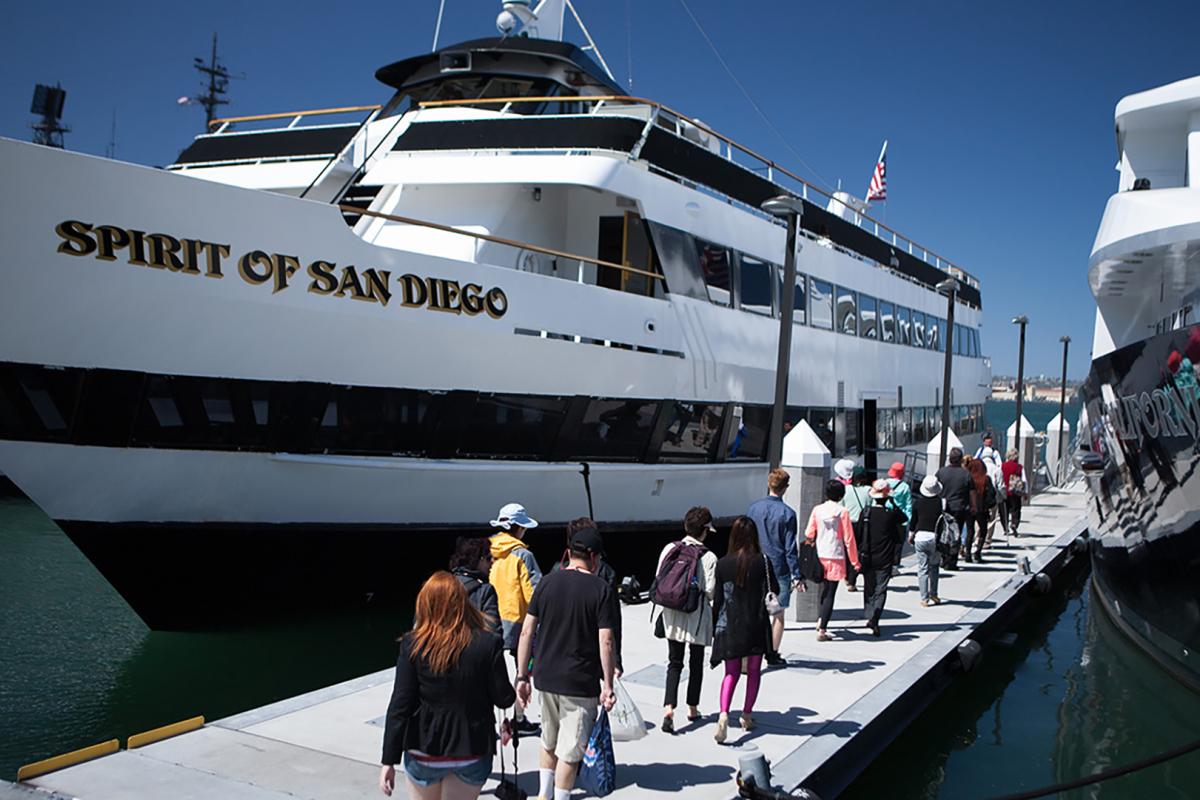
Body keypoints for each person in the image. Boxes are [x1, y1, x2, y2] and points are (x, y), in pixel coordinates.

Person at [380, 572, 516, 800]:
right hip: (472, 749)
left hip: (423, 749)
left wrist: (388, 760)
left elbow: (400, 706)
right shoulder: (488, 643)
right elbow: (504, 698)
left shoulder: (413, 645)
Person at [515, 527, 617, 800]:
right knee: (571, 751)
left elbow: (526, 632)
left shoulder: (547, 582)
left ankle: (543, 795)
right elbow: (606, 640)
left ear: (570, 553)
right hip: (579, 682)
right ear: (594, 558)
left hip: (545, 677)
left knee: (548, 741)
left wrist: (522, 676)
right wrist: (607, 684)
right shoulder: (601, 589)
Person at [710, 516, 778, 744]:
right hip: (756, 624)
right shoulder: (763, 562)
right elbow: (773, 589)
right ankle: (746, 715)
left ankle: (723, 713)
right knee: (754, 671)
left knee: (731, 673)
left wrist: (714, 629)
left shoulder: (723, 563)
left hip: (731, 625)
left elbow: (718, 599)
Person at [655, 506, 719, 734]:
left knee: (674, 662)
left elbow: (659, 578)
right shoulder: (709, 557)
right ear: (704, 531)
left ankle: (669, 707)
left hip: (672, 614)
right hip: (696, 617)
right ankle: (692, 707)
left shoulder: (670, 548)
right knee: (695, 663)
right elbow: (711, 590)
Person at [488, 502, 543, 734]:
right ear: (519, 528)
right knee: (522, 670)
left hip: (492, 616)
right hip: (519, 621)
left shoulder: (491, 551)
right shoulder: (523, 555)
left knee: (493, 669)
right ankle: (518, 719)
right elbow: (534, 591)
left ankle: (494, 718)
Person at [747, 468, 800, 667]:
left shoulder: (753, 508)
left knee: (754, 612)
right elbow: (790, 547)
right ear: (785, 488)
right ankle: (772, 653)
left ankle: (751, 652)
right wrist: (796, 573)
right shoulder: (788, 513)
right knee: (778, 615)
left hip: (755, 564)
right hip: (779, 568)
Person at [803, 480, 861, 642]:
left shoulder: (818, 509)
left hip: (820, 553)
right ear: (841, 495)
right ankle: (822, 628)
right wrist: (855, 561)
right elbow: (849, 539)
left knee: (823, 591)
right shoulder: (843, 512)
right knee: (830, 593)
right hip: (836, 555)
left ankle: (821, 619)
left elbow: (809, 532)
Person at [858, 480, 905, 636]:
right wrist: (892, 501)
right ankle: (875, 618)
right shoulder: (890, 515)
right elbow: (903, 518)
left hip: (867, 556)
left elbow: (858, 534)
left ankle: (869, 613)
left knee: (869, 587)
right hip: (885, 557)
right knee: (881, 589)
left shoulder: (866, 512)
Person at [450, 537, 501, 638]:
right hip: (473, 649)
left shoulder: (440, 586)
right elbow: (493, 632)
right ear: (479, 559)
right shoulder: (485, 590)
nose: (492, 562)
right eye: (488, 558)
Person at [908, 476, 944, 606]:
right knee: (934, 567)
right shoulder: (942, 503)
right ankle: (934, 593)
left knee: (922, 568)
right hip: (935, 538)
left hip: (920, 537)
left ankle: (924, 598)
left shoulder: (918, 502)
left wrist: (911, 535)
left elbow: (913, 522)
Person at [935, 448, 972, 570]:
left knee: (942, 533)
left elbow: (936, 489)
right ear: (961, 459)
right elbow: (972, 492)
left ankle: (943, 558)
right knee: (956, 534)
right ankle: (952, 561)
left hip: (944, 508)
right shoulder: (966, 473)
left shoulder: (941, 472)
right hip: (959, 508)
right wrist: (974, 506)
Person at [840, 466, 873, 591]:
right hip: (863, 525)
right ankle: (853, 579)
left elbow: (841, 507)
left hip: (848, 524)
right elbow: (871, 507)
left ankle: (848, 577)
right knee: (858, 551)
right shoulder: (869, 490)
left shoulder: (846, 489)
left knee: (848, 550)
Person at [967, 458, 995, 562]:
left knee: (970, 530)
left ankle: (968, 553)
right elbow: (991, 495)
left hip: (969, 508)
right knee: (983, 531)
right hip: (982, 509)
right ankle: (978, 552)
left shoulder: (968, 478)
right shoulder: (986, 479)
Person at [1001, 449, 1029, 536]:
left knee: (1004, 511)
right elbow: (1024, 480)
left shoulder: (1002, 466)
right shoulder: (1019, 467)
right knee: (1016, 510)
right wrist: (1026, 493)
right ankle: (1014, 524)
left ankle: (1005, 528)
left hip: (1005, 491)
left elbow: (999, 477)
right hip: (1015, 492)